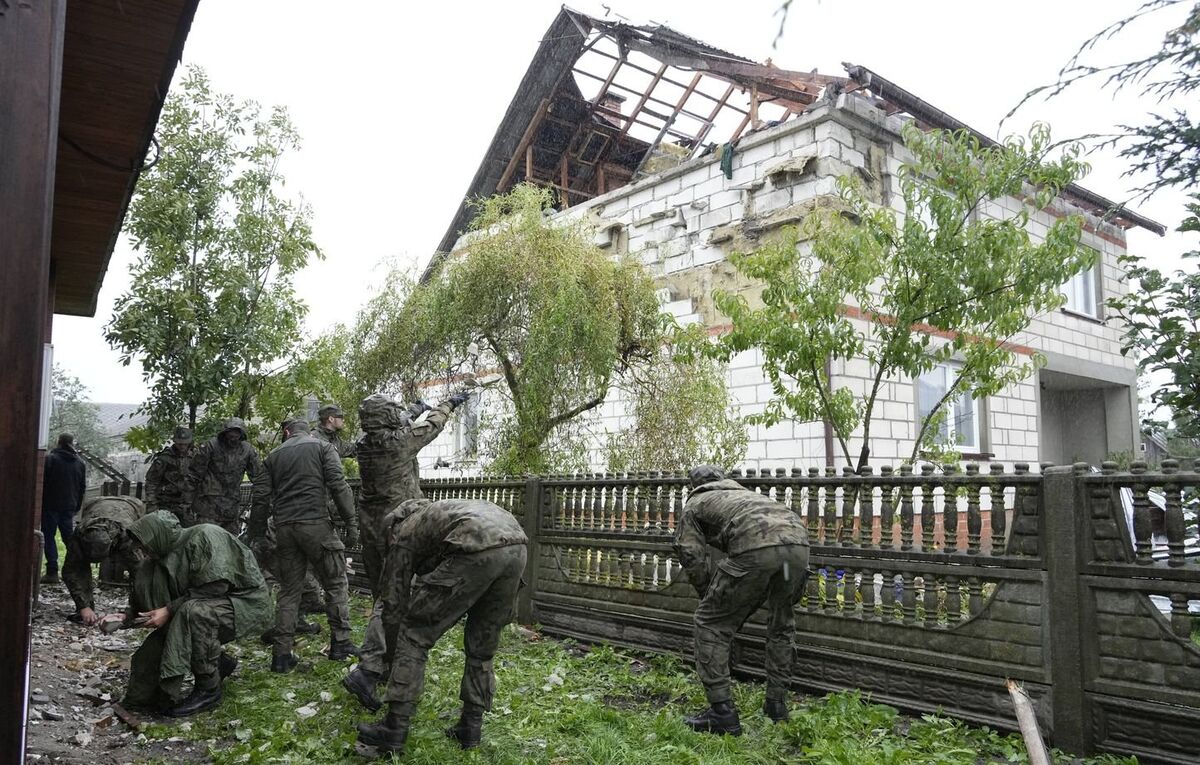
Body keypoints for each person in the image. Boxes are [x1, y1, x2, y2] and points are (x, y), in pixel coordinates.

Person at [354, 497, 527, 756]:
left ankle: (393, 728)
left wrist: (391, 656)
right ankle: (470, 726)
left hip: (475, 543)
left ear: (393, 527)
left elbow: (393, 603)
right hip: (517, 546)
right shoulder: (444, 513)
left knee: (413, 634)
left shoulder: (405, 531)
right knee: (482, 645)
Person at [342, 391, 469, 708]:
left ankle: (386, 662)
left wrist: (415, 408)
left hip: (371, 526)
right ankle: (369, 668)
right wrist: (448, 403)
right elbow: (432, 426)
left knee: (383, 594)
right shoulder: (399, 442)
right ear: (387, 416)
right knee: (391, 596)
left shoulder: (363, 443)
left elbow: (402, 421)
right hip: (397, 525)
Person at [673, 465, 810, 735]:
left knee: (710, 623)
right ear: (723, 479)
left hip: (757, 549)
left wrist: (706, 592)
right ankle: (777, 706)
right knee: (781, 623)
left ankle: (722, 714)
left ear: (694, 485)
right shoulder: (745, 496)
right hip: (797, 549)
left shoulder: (696, 502)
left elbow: (689, 552)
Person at [119, 510, 272, 717]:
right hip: (195, 608)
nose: (142, 551)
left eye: (144, 544)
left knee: (193, 614)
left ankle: (209, 689)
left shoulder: (204, 536)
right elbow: (145, 602)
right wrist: (124, 617)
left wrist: (169, 610)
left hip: (243, 602)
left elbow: (216, 586)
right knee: (155, 649)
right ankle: (218, 662)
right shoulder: (154, 562)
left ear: (158, 536)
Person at [249, 418, 360, 672]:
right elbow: (338, 485)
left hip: (285, 529)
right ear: (308, 432)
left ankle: (281, 656)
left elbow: (260, 499)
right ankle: (341, 644)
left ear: (286, 432)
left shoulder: (272, 457)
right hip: (316, 525)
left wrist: (258, 535)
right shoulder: (322, 447)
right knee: (335, 583)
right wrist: (351, 523)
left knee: (289, 591)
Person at [62, 495, 146, 625]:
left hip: (131, 505)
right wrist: (83, 607)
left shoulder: (127, 537)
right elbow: (72, 571)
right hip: (95, 504)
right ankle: (87, 610)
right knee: (78, 565)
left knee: (139, 569)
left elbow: (140, 573)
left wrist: (133, 611)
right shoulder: (79, 535)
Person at [186, 418, 263, 535]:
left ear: (241, 435)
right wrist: (187, 502)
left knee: (230, 541)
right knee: (206, 539)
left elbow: (259, 478)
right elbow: (194, 474)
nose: (233, 438)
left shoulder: (247, 450)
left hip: (231, 509)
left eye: (236, 435)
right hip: (208, 507)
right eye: (230, 435)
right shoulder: (211, 446)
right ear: (225, 433)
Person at [41, 432, 87, 584]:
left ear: (59, 442)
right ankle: (78, 569)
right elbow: (82, 487)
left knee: (49, 537)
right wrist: (77, 506)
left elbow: (43, 483)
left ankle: (52, 572)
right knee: (69, 539)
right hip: (69, 507)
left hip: (50, 506)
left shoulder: (50, 459)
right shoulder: (80, 463)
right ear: (71, 444)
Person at [145, 426, 195, 525]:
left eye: (185, 444)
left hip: (187, 506)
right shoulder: (164, 458)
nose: (182, 446)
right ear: (175, 441)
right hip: (166, 504)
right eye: (179, 443)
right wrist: (152, 504)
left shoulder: (195, 457)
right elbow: (151, 482)